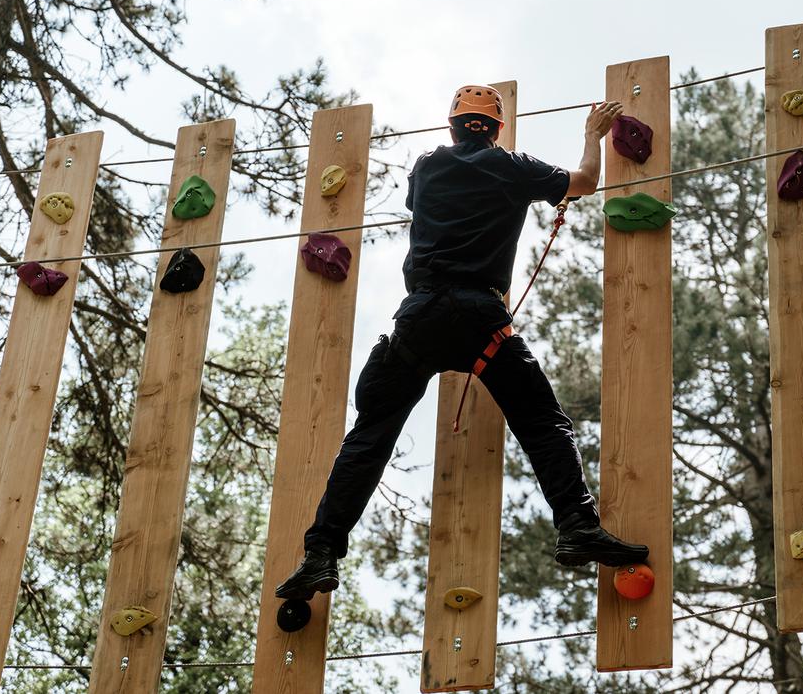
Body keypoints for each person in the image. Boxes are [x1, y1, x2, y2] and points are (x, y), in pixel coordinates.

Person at [276, 85, 649, 601]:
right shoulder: (514, 168)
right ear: (497, 128)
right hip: (481, 320)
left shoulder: (427, 167)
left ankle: (320, 554)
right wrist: (592, 134)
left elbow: (421, 200)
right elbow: (584, 180)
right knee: (542, 423)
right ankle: (576, 526)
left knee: (368, 438)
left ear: (451, 126)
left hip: (420, 320)